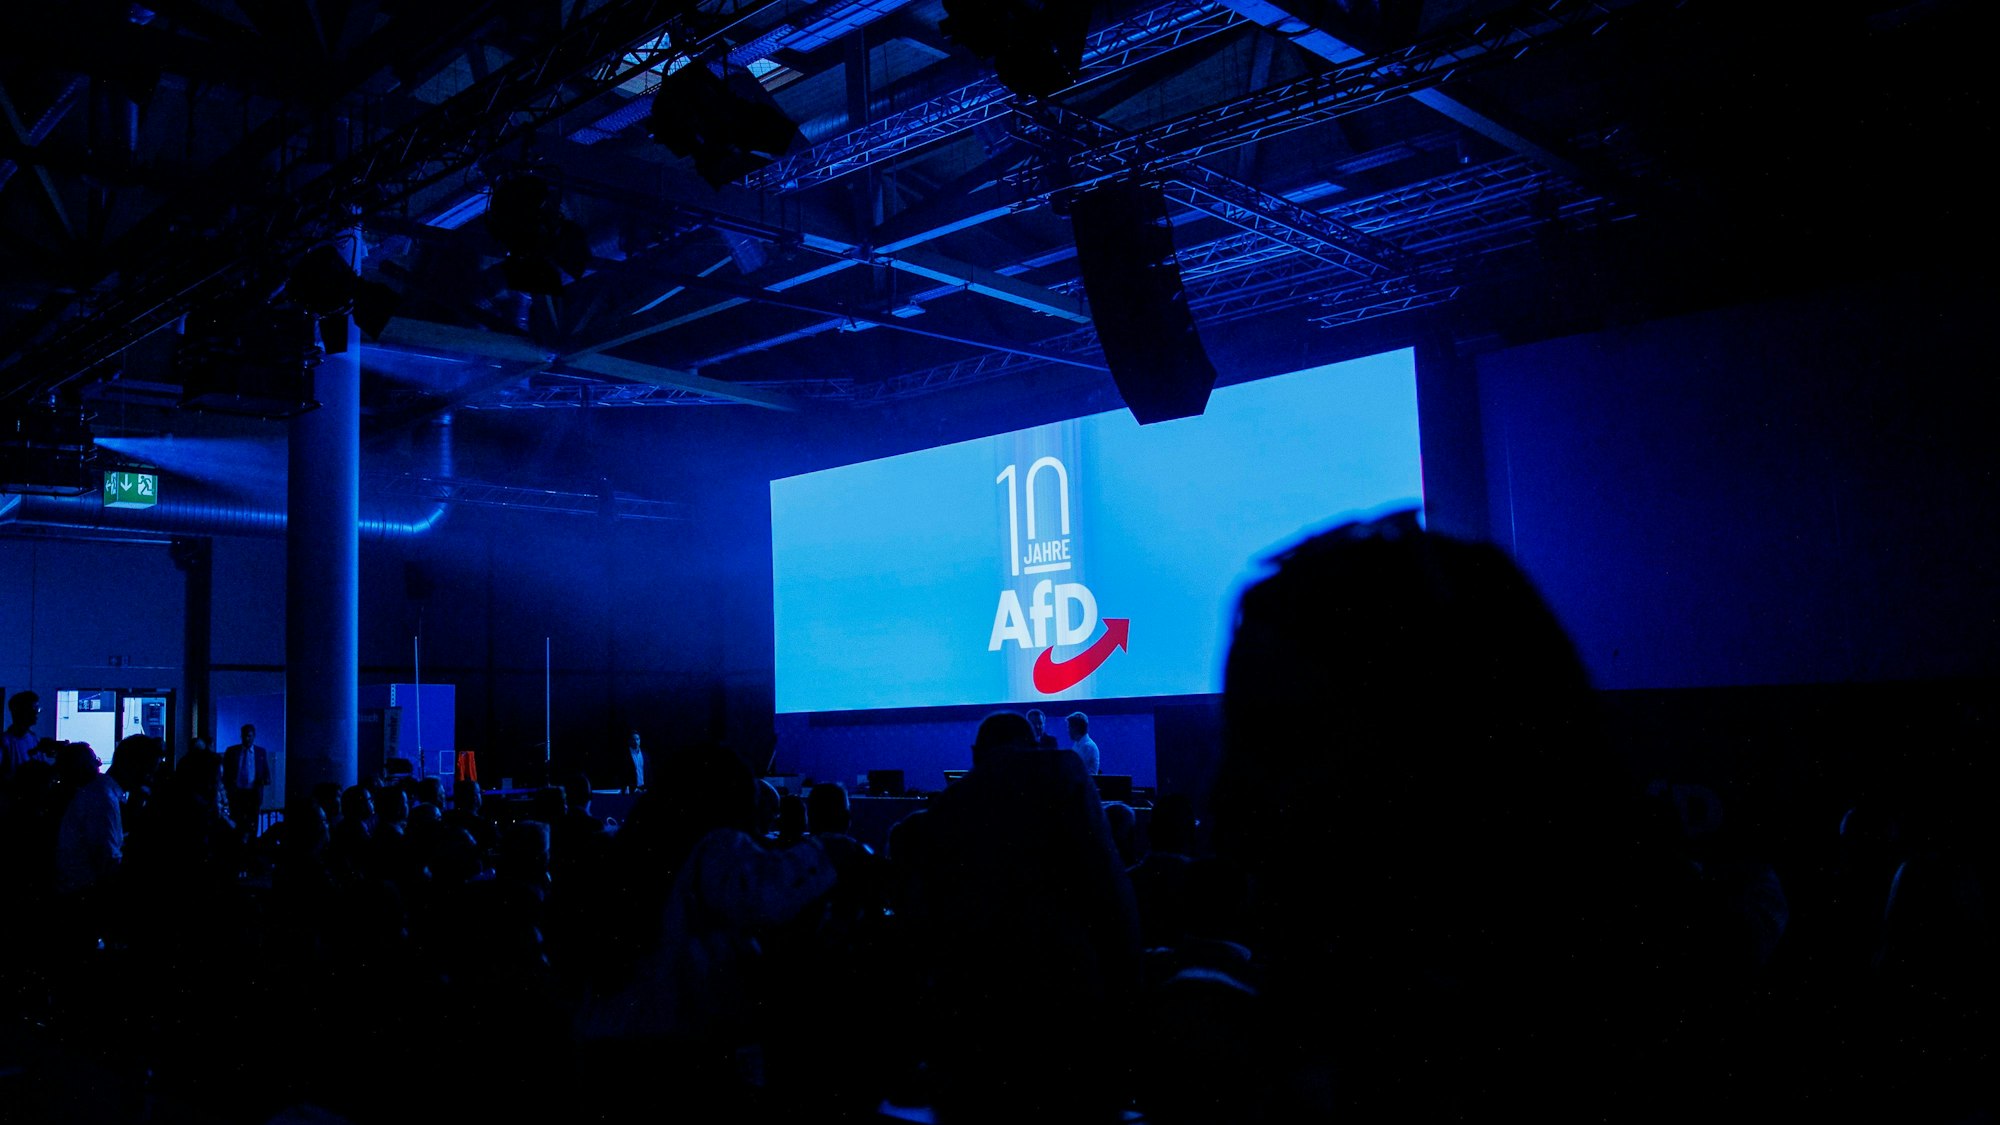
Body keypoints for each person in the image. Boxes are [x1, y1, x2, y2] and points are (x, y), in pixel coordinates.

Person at [55, 733, 163, 897]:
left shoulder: (102, 793)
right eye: (149, 771)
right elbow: (109, 864)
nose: (151, 779)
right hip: (82, 894)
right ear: (133, 765)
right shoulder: (104, 799)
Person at [223, 724, 272, 842]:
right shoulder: (232, 752)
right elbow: (226, 773)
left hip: (253, 794)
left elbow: (265, 772)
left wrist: (263, 781)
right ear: (241, 736)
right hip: (237, 793)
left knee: (253, 823)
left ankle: (250, 845)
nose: (247, 739)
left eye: (249, 736)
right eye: (245, 736)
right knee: (236, 821)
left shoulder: (260, 752)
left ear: (254, 736)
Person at [2, 690, 48, 782]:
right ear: (20, 712)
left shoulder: (34, 739)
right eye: (33, 709)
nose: (37, 713)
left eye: (38, 709)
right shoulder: (5, 742)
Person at [1065, 711, 1100, 775]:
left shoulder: (1087, 746)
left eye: (1069, 727)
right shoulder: (1078, 744)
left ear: (1076, 728)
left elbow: (1074, 768)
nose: (1068, 730)